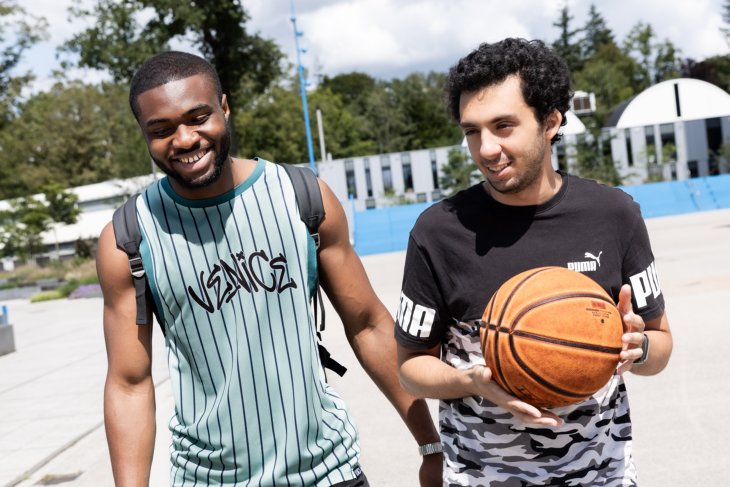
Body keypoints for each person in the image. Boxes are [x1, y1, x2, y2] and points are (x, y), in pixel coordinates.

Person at [96, 51, 441, 487]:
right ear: (144, 135)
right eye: (161, 130)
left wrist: (430, 444)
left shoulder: (303, 198)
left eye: (198, 117)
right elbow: (129, 383)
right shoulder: (127, 238)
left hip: (328, 473)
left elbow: (368, 325)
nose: (183, 139)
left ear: (225, 107)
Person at [395, 38, 673, 486]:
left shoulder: (614, 214)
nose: (485, 148)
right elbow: (410, 368)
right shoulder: (438, 232)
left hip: (601, 475)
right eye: (472, 131)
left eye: (503, 126)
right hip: (481, 476)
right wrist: (472, 382)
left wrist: (635, 348)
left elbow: (659, 345)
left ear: (550, 122)